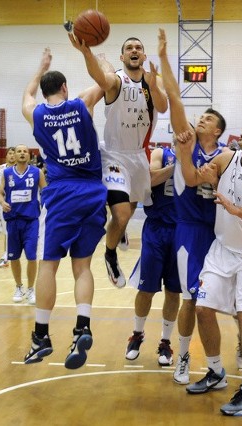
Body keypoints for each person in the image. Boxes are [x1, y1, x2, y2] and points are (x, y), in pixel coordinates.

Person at [174, 116, 242, 416]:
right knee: (202, 309)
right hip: (222, 249)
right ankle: (216, 371)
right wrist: (184, 153)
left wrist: (238, 210)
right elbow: (194, 178)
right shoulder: (226, 158)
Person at [21, 47, 107, 370]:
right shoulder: (82, 103)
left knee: (48, 266)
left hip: (60, 195)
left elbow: (26, 96)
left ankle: (41, 335)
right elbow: (105, 81)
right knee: (82, 267)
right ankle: (82, 326)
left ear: (45, 91)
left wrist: (41, 66)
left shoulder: (37, 114)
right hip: (93, 193)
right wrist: (98, 56)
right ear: (65, 88)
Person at [157, 28, 231, 386]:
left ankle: (232, 355)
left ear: (217, 131)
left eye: (207, 119)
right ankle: (184, 356)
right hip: (189, 229)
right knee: (190, 299)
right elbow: (174, 97)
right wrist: (164, 57)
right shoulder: (185, 140)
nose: (199, 120)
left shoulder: (227, 156)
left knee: (217, 302)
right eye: (199, 116)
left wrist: (214, 179)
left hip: (220, 234)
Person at [70, 32, 168, 289]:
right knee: (122, 215)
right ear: (122, 56)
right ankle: (110, 254)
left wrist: (155, 85)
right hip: (114, 155)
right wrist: (87, 54)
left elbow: (164, 106)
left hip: (138, 156)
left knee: (129, 210)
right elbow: (99, 77)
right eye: (129, 48)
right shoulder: (115, 81)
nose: (134, 50)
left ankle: (117, 228)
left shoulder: (152, 82)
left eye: (139, 47)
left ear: (144, 56)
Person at [125, 145, 180, 366]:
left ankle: (165, 342)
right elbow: (149, 179)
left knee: (174, 291)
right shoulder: (161, 153)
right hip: (156, 228)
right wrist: (178, 167)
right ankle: (137, 334)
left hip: (183, 230)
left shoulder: (201, 158)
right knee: (146, 288)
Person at [0, 144, 46, 305]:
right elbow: (0, 193)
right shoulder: (6, 173)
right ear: (14, 155)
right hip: (13, 220)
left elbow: (45, 191)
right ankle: (19, 287)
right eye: (19, 151)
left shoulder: (36, 172)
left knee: (32, 256)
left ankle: (31, 289)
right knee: (14, 257)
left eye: (25, 151)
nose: (22, 153)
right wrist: (3, 202)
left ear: (29, 155)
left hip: (31, 221)